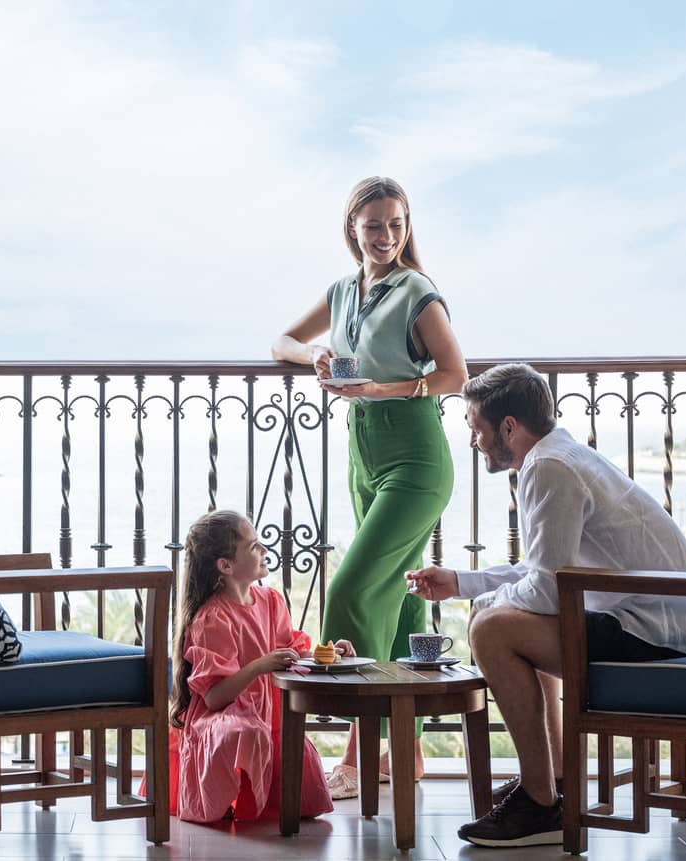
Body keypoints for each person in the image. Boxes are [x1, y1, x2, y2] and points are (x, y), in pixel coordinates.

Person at [406, 363, 686, 848]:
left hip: (661, 636)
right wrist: (463, 583)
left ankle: (539, 804)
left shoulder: (549, 468)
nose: (472, 441)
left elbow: (547, 591)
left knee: (493, 629)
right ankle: (553, 781)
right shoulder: (559, 455)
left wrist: (487, 604)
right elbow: (547, 573)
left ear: (508, 427)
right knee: (504, 617)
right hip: (664, 622)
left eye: (476, 428)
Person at [271, 176, 469, 799]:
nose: (386, 236)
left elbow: (456, 374)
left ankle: (358, 755)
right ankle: (404, 753)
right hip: (364, 453)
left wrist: (387, 388)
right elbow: (280, 341)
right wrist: (315, 356)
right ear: (352, 228)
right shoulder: (342, 291)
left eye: (396, 224)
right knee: (398, 598)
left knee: (353, 589)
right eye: (374, 224)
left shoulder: (417, 291)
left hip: (415, 455)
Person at [168, 509, 352, 823]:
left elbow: (290, 652)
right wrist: (258, 666)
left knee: (305, 799)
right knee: (246, 732)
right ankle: (229, 797)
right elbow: (214, 697)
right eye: (254, 546)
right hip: (223, 716)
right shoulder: (213, 618)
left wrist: (328, 654)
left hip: (267, 711)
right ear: (226, 566)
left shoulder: (271, 601)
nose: (264, 550)